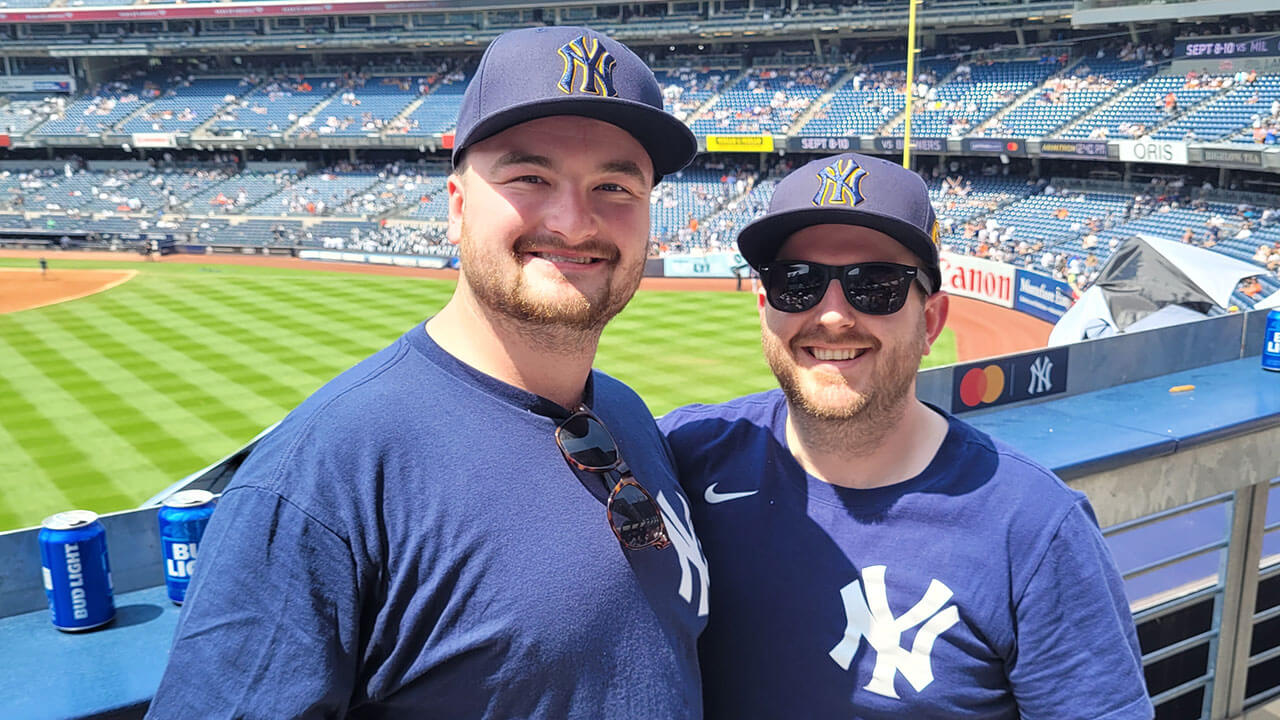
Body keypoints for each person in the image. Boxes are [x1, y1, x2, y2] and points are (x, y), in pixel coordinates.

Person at [148, 26, 708, 719]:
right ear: (456, 205)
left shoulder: (624, 413)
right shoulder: (323, 477)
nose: (574, 219)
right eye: (529, 177)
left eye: (616, 184)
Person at [660, 153, 1153, 719]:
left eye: (876, 285)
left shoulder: (1035, 528)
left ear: (932, 323)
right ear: (764, 307)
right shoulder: (685, 453)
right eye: (797, 283)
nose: (833, 315)